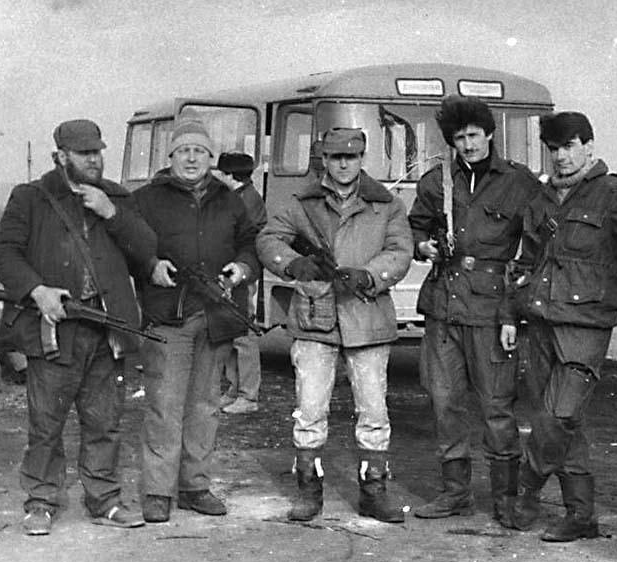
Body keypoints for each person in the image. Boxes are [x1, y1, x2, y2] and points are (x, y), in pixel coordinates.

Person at [502, 111, 617, 542]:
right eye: (553, 149)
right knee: (562, 423)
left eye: (569, 146)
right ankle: (581, 516)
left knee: (559, 415)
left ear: (588, 146)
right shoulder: (543, 199)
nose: (560, 157)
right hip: (540, 324)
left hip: (584, 328)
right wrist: (510, 314)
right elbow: (525, 264)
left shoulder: (614, 195)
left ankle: (526, 489)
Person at [0, 119, 157, 535]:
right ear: (60, 156)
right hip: (55, 328)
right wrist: (37, 290)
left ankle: (104, 500)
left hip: (106, 328)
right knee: (46, 423)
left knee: (104, 421)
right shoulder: (31, 198)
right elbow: (2, 254)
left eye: (97, 152)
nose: (94, 160)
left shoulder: (116, 197)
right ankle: (41, 501)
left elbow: (146, 251)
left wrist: (111, 213)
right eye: (84, 153)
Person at [256, 127, 413, 523]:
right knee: (309, 410)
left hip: (366, 314)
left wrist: (369, 275)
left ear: (362, 159)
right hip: (316, 315)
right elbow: (269, 239)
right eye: (336, 157)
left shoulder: (386, 204)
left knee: (374, 411)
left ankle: (374, 492)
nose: (344, 164)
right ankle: (309, 492)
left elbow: (400, 251)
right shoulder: (302, 202)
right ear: (324, 160)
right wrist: (294, 264)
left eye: (351, 157)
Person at [407, 95, 542, 525]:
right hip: (443, 308)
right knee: (445, 404)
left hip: (491, 311)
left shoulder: (519, 182)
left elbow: (536, 247)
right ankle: (455, 494)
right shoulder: (436, 182)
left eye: (473, 135)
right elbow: (414, 228)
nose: (467, 144)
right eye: (459, 138)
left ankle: (506, 500)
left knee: (497, 408)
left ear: (489, 133)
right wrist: (422, 246)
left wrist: (513, 311)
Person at [133, 111, 261, 523]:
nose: (191, 158)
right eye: (184, 151)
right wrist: (150, 265)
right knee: (164, 405)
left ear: (210, 157)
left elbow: (251, 244)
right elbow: (129, 246)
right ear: (170, 156)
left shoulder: (230, 199)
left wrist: (242, 268)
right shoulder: (147, 200)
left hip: (216, 316)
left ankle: (194, 486)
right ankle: (158, 491)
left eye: (200, 151)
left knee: (205, 405)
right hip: (169, 317)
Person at [212, 152, 267, 414]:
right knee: (233, 333)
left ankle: (248, 395)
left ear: (229, 175)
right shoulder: (244, 197)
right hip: (234, 274)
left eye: (220, 172)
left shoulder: (246, 200)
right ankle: (235, 389)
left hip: (241, 277)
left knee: (244, 335)